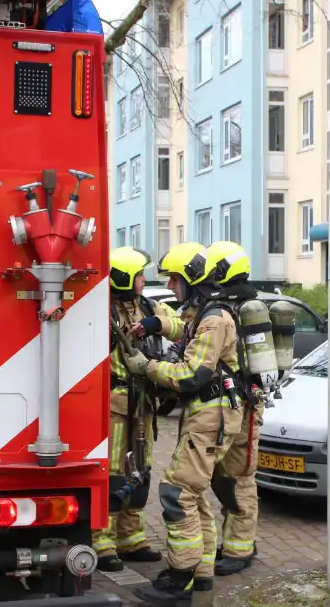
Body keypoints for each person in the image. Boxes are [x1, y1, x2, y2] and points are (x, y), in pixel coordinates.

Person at [122, 243, 244, 604]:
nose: (172, 287)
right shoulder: (205, 313)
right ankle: (200, 571)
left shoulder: (215, 318)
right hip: (208, 415)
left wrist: (146, 367)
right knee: (193, 493)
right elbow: (184, 329)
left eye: (175, 280)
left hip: (211, 415)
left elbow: (191, 374)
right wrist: (155, 323)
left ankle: (180, 578)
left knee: (175, 492)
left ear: (191, 281)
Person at [91, 246, 172, 572]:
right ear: (124, 277)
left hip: (144, 404)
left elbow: (176, 320)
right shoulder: (102, 311)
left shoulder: (149, 306)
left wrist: (155, 322)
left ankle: (131, 536)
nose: (143, 279)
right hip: (115, 403)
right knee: (113, 471)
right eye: (139, 274)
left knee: (142, 468)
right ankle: (102, 538)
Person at [200, 241, 265, 577]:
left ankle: (241, 549)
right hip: (230, 405)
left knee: (240, 477)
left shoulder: (246, 308)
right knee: (223, 475)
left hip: (246, 406)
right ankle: (237, 539)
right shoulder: (228, 306)